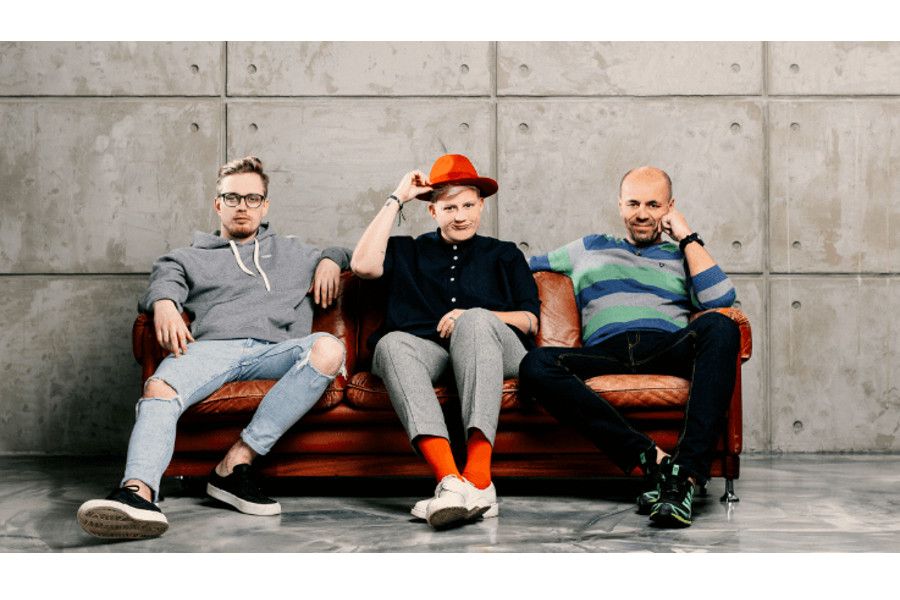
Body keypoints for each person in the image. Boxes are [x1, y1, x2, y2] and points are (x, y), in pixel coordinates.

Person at [76, 156, 351, 539]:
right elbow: (163, 282)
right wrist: (164, 304)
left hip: (276, 351)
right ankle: (137, 495)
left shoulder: (291, 252)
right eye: (233, 198)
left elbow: (349, 253)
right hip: (213, 349)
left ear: (265, 206)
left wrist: (330, 260)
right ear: (217, 204)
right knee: (159, 388)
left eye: (253, 199)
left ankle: (235, 464)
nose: (242, 207)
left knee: (328, 349)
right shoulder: (187, 257)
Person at [518, 166, 740, 528]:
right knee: (536, 365)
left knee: (722, 326)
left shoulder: (683, 254)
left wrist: (687, 236)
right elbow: (520, 266)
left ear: (669, 207)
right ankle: (653, 460)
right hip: (607, 351)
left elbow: (721, 298)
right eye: (633, 203)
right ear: (620, 204)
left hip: (665, 347)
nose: (641, 214)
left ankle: (684, 475)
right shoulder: (589, 247)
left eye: (653, 205)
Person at [351, 154, 540, 530]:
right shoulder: (408, 251)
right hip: (431, 354)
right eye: (449, 208)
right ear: (432, 211)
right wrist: (397, 197)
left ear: (481, 205)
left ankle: (479, 479)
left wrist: (474, 315)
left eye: (468, 205)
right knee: (390, 344)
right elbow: (362, 266)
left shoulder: (504, 254)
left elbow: (530, 320)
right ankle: (451, 483)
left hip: (498, 350)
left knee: (475, 322)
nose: (461, 216)